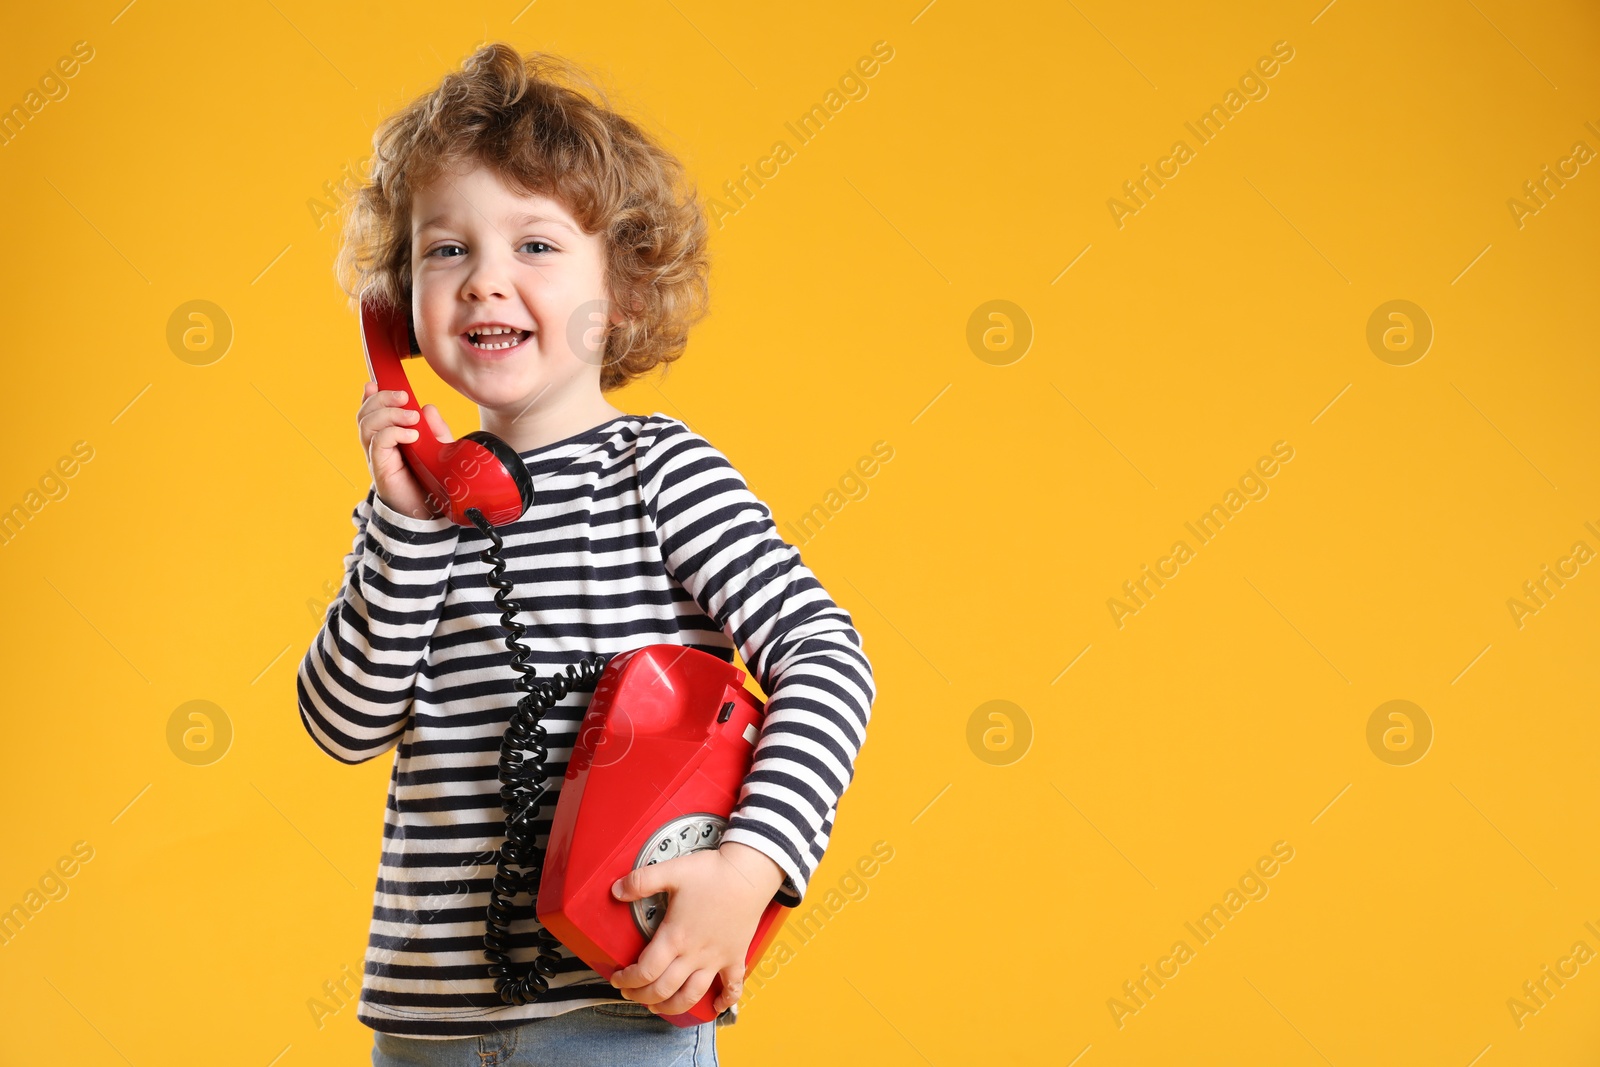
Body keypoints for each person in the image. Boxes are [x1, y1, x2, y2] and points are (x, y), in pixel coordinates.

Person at [295, 41, 876, 1067]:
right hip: (429, 1024)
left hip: (614, 1008)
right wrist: (406, 526)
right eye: (445, 250)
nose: (484, 282)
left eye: (535, 247)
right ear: (396, 310)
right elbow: (343, 725)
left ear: (628, 292)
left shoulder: (657, 472)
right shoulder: (415, 512)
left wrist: (750, 863)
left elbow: (826, 655)